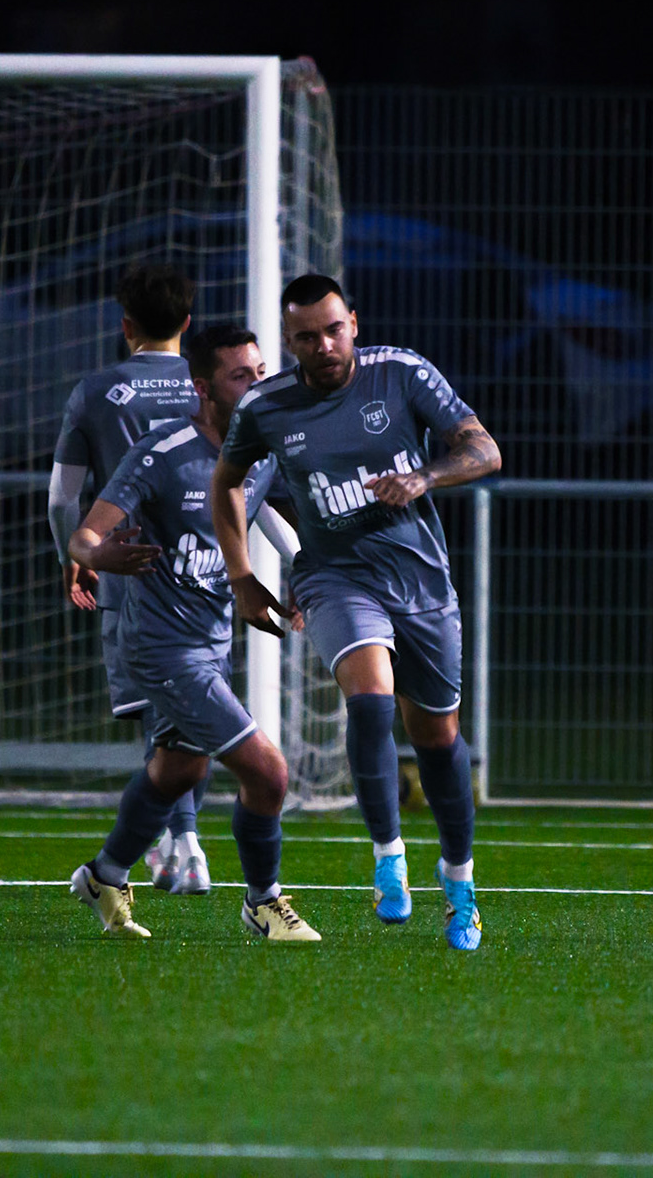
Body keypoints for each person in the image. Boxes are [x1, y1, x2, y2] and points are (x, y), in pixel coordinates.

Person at [211, 274, 501, 951]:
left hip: (420, 578)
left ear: (354, 324)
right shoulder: (267, 406)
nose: (324, 344)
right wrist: (241, 577)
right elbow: (226, 483)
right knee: (370, 702)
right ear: (290, 343)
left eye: (333, 329)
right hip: (335, 577)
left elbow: (484, 448)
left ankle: (459, 881)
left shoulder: (400, 374)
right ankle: (388, 857)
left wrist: (425, 477)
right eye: (306, 337)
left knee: (437, 737)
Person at [66, 323, 320, 943]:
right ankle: (263, 902)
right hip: (162, 649)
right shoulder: (163, 452)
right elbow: (84, 534)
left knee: (179, 771)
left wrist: (306, 573)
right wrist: (98, 557)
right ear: (203, 388)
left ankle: (104, 874)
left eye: (261, 371)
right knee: (269, 774)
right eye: (242, 375)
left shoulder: (257, 451)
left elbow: (284, 514)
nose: (258, 383)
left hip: (211, 643)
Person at [46, 264, 210, 893]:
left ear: (126, 325)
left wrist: (75, 553)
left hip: (129, 566)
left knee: (158, 709)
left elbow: (63, 498)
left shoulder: (95, 391)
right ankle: (183, 841)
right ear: (188, 323)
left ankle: (182, 843)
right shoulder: (208, 389)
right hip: (203, 568)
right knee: (188, 700)